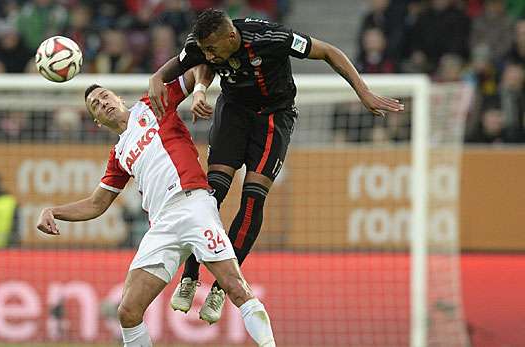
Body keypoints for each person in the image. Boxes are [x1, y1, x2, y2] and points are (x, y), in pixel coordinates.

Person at [148, 8, 404, 324]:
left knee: (253, 197)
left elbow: (328, 51)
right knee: (211, 194)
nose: (210, 54)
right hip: (234, 112)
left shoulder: (272, 38)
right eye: (205, 49)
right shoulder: (204, 44)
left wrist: (363, 92)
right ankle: (189, 277)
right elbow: (193, 63)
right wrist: (159, 78)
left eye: (214, 48)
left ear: (231, 36)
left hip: (273, 116)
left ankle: (221, 288)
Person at [36, 66, 276, 347]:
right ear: (97, 122)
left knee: (235, 287)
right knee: (127, 311)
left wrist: (199, 90)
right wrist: (53, 211)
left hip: (194, 206)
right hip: (162, 226)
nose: (103, 104)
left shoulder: (151, 104)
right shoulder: (119, 155)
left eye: (104, 97)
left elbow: (198, 66)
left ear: (119, 98)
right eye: (96, 106)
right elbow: (96, 204)